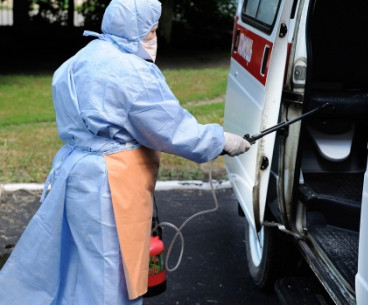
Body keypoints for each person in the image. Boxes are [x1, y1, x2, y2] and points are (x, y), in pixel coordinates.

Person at [0, 0, 250, 304]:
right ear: (136, 29)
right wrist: (221, 140)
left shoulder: (80, 59)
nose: (154, 38)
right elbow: (172, 129)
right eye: (152, 31)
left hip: (74, 171)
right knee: (110, 276)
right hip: (110, 183)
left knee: (76, 266)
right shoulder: (132, 72)